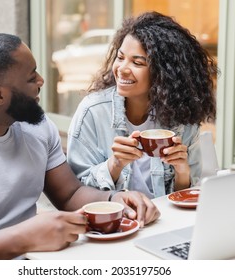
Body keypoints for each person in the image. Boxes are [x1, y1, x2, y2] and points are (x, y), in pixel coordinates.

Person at [0, 33, 160, 260]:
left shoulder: (35, 124)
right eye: (30, 76)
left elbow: (69, 195)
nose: (41, 80)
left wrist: (114, 200)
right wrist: (21, 239)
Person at [67, 11, 218, 199]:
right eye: (120, 58)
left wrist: (182, 172)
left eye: (137, 62)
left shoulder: (182, 117)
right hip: (117, 223)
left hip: (164, 222)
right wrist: (115, 165)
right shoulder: (93, 111)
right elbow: (74, 191)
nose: (122, 69)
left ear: (164, 73)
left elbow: (189, 197)